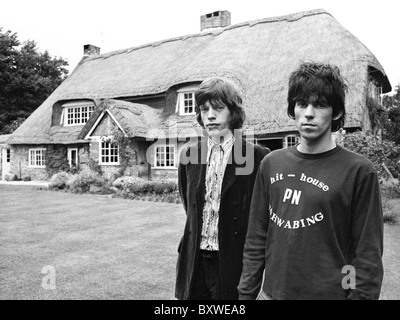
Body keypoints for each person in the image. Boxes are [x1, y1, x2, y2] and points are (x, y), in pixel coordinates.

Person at [238, 62, 384, 300]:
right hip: (273, 295)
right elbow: (256, 239)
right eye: (302, 104)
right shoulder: (271, 164)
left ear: (336, 112)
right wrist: (245, 296)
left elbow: (367, 255)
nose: (308, 113)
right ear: (293, 109)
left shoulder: (358, 171)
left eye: (320, 105)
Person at [175, 77, 270, 300]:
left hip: (231, 263)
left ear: (233, 111)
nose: (210, 115)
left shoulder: (257, 157)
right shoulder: (189, 156)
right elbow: (190, 206)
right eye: (204, 109)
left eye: (218, 108)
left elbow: (260, 216)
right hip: (194, 261)